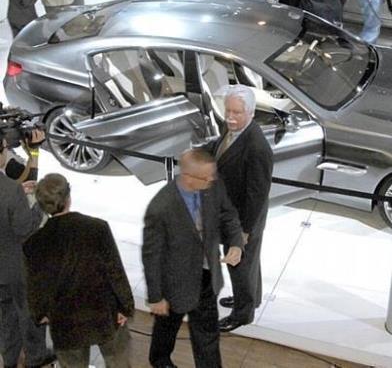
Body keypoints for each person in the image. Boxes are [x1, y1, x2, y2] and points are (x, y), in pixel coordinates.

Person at [142, 148, 243, 367]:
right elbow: (151, 255)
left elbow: (228, 215)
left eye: (212, 175)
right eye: (206, 177)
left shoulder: (212, 185)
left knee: (207, 335)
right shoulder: (161, 207)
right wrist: (155, 296)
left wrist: (235, 243)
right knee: (166, 329)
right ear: (187, 177)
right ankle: (160, 362)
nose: (211, 180)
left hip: (206, 276)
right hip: (174, 284)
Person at [23, 173, 134, 368]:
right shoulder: (97, 228)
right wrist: (125, 306)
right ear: (68, 197)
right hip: (104, 313)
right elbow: (115, 271)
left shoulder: (34, 244)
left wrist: (40, 313)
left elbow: (36, 285)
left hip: (65, 322)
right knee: (118, 361)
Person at [212, 86, 273, 333]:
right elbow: (221, 150)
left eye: (236, 112)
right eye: (228, 110)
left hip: (242, 217)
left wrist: (245, 231)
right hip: (233, 212)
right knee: (248, 262)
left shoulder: (257, 147)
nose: (230, 117)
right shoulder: (235, 129)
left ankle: (242, 314)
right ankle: (250, 298)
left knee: (238, 264)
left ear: (250, 112)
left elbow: (257, 195)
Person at [0, 131, 55, 368]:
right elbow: (26, 229)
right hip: (14, 269)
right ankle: (35, 357)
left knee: (6, 318)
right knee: (28, 313)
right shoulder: (10, 190)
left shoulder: (11, 190)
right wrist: (40, 205)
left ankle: (9, 360)